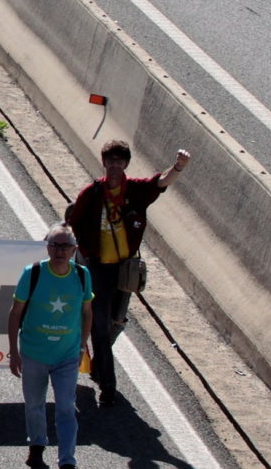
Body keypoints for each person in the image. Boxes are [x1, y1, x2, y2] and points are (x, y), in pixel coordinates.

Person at [64, 142, 190, 411]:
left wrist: (178, 166)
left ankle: (99, 365)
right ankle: (108, 387)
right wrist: (84, 254)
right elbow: (74, 223)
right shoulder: (92, 192)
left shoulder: (135, 190)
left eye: (119, 162)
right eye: (110, 161)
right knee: (98, 326)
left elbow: (161, 182)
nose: (114, 166)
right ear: (104, 163)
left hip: (123, 269)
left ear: (125, 165)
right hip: (97, 268)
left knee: (117, 322)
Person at [7, 226, 95, 469]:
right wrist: (14, 350)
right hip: (34, 352)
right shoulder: (32, 273)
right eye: (54, 246)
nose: (59, 251)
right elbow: (15, 313)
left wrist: (82, 345)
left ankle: (67, 464)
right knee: (34, 404)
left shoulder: (82, 275)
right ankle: (37, 443)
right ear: (47, 248)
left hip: (67, 356)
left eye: (65, 246)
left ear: (74, 250)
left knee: (66, 407)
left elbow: (87, 311)